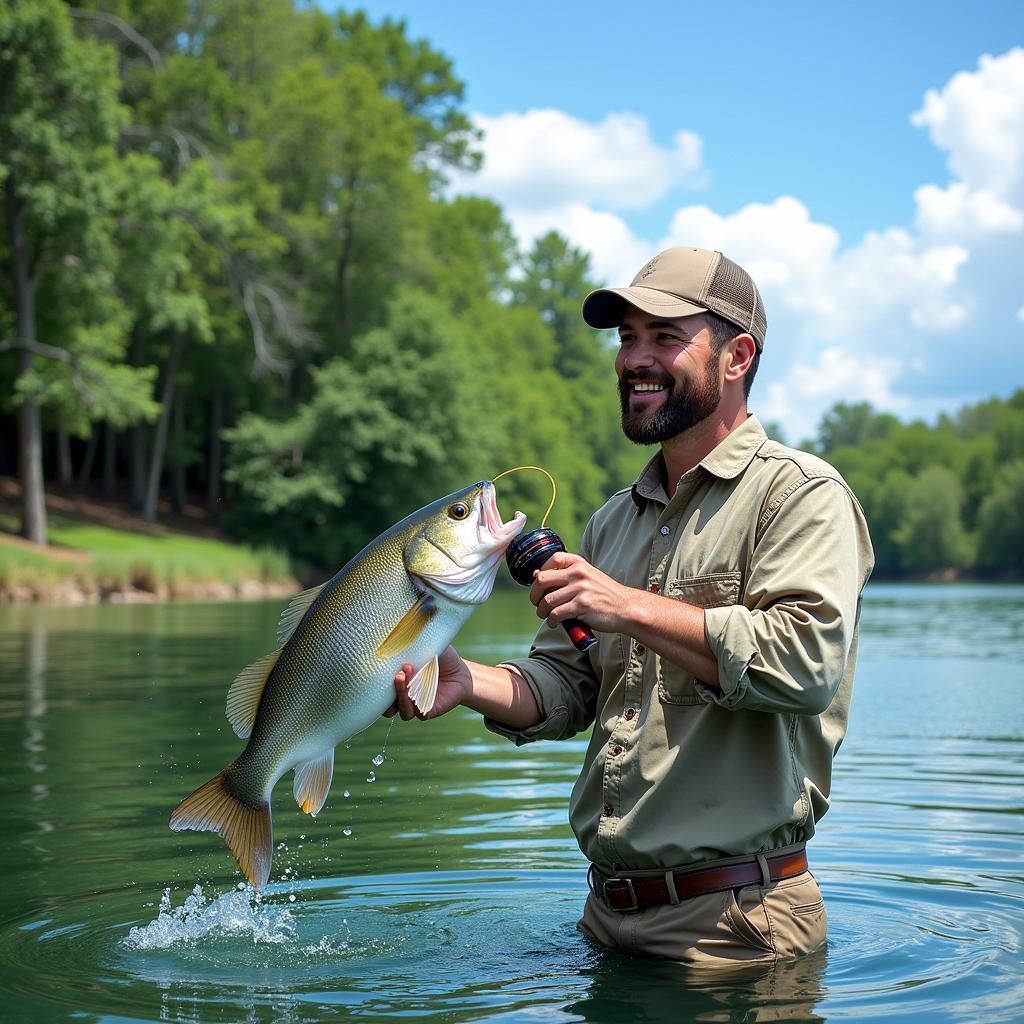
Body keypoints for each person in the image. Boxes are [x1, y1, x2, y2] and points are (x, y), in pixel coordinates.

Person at [387, 246, 874, 966]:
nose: (634, 359)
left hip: (738, 935)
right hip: (604, 923)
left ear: (737, 357)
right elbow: (571, 686)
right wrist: (469, 685)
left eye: (664, 337)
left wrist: (627, 606)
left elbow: (803, 666)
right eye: (627, 338)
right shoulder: (614, 522)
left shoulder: (802, 495)